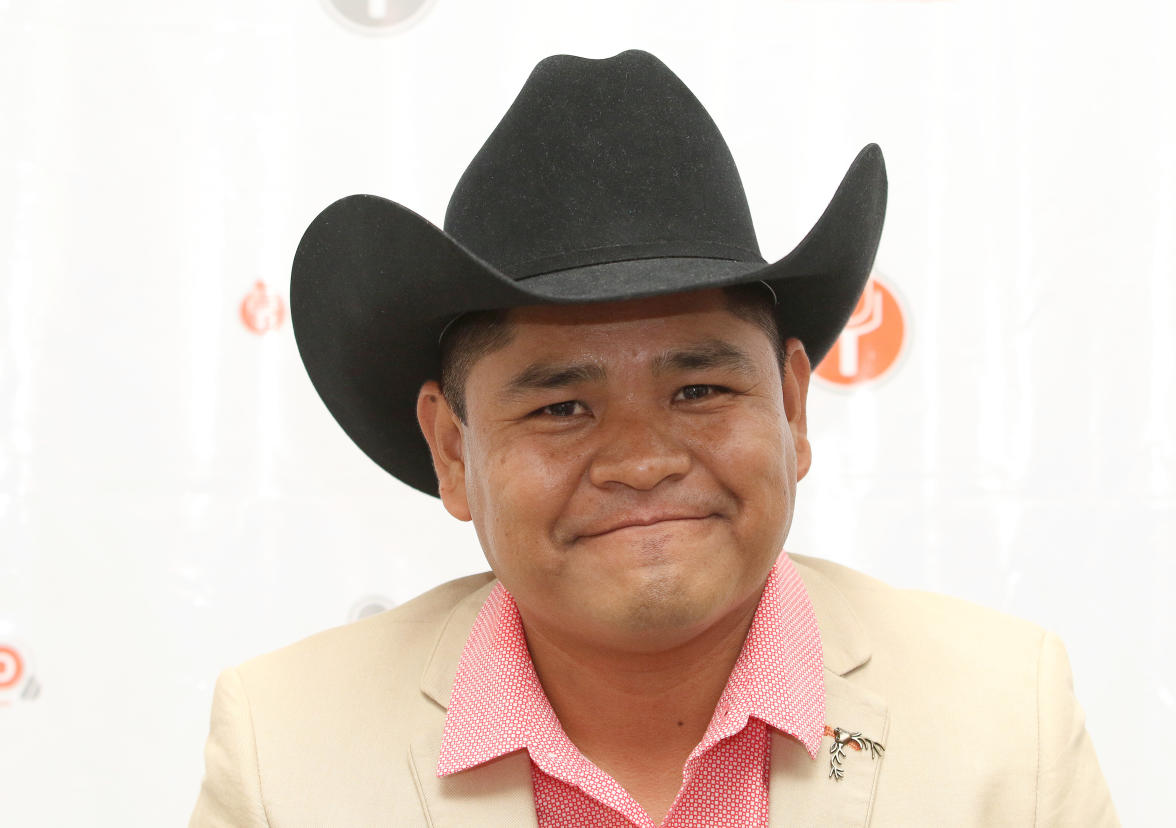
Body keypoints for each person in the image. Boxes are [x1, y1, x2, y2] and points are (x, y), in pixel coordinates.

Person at [190, 49, 1119, 827]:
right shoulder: (286, 751)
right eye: (561, 408)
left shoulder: (1005, 721)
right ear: (450, 449)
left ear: (792, 409)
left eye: (701, 388)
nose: (643, 462)